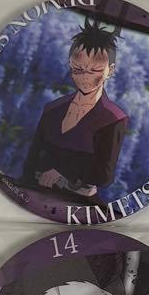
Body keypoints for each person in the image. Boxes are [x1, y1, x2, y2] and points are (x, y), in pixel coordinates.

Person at [19, 20, 128, 201]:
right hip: (37, 194)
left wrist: (63, 173)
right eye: (77, 69)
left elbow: (103, 176)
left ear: (110, 71)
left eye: (95, 70)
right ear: (70, 64)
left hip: (80, 203)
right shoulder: (53, 109)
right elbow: (32, 160)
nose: (85, 77)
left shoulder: (113, 119)